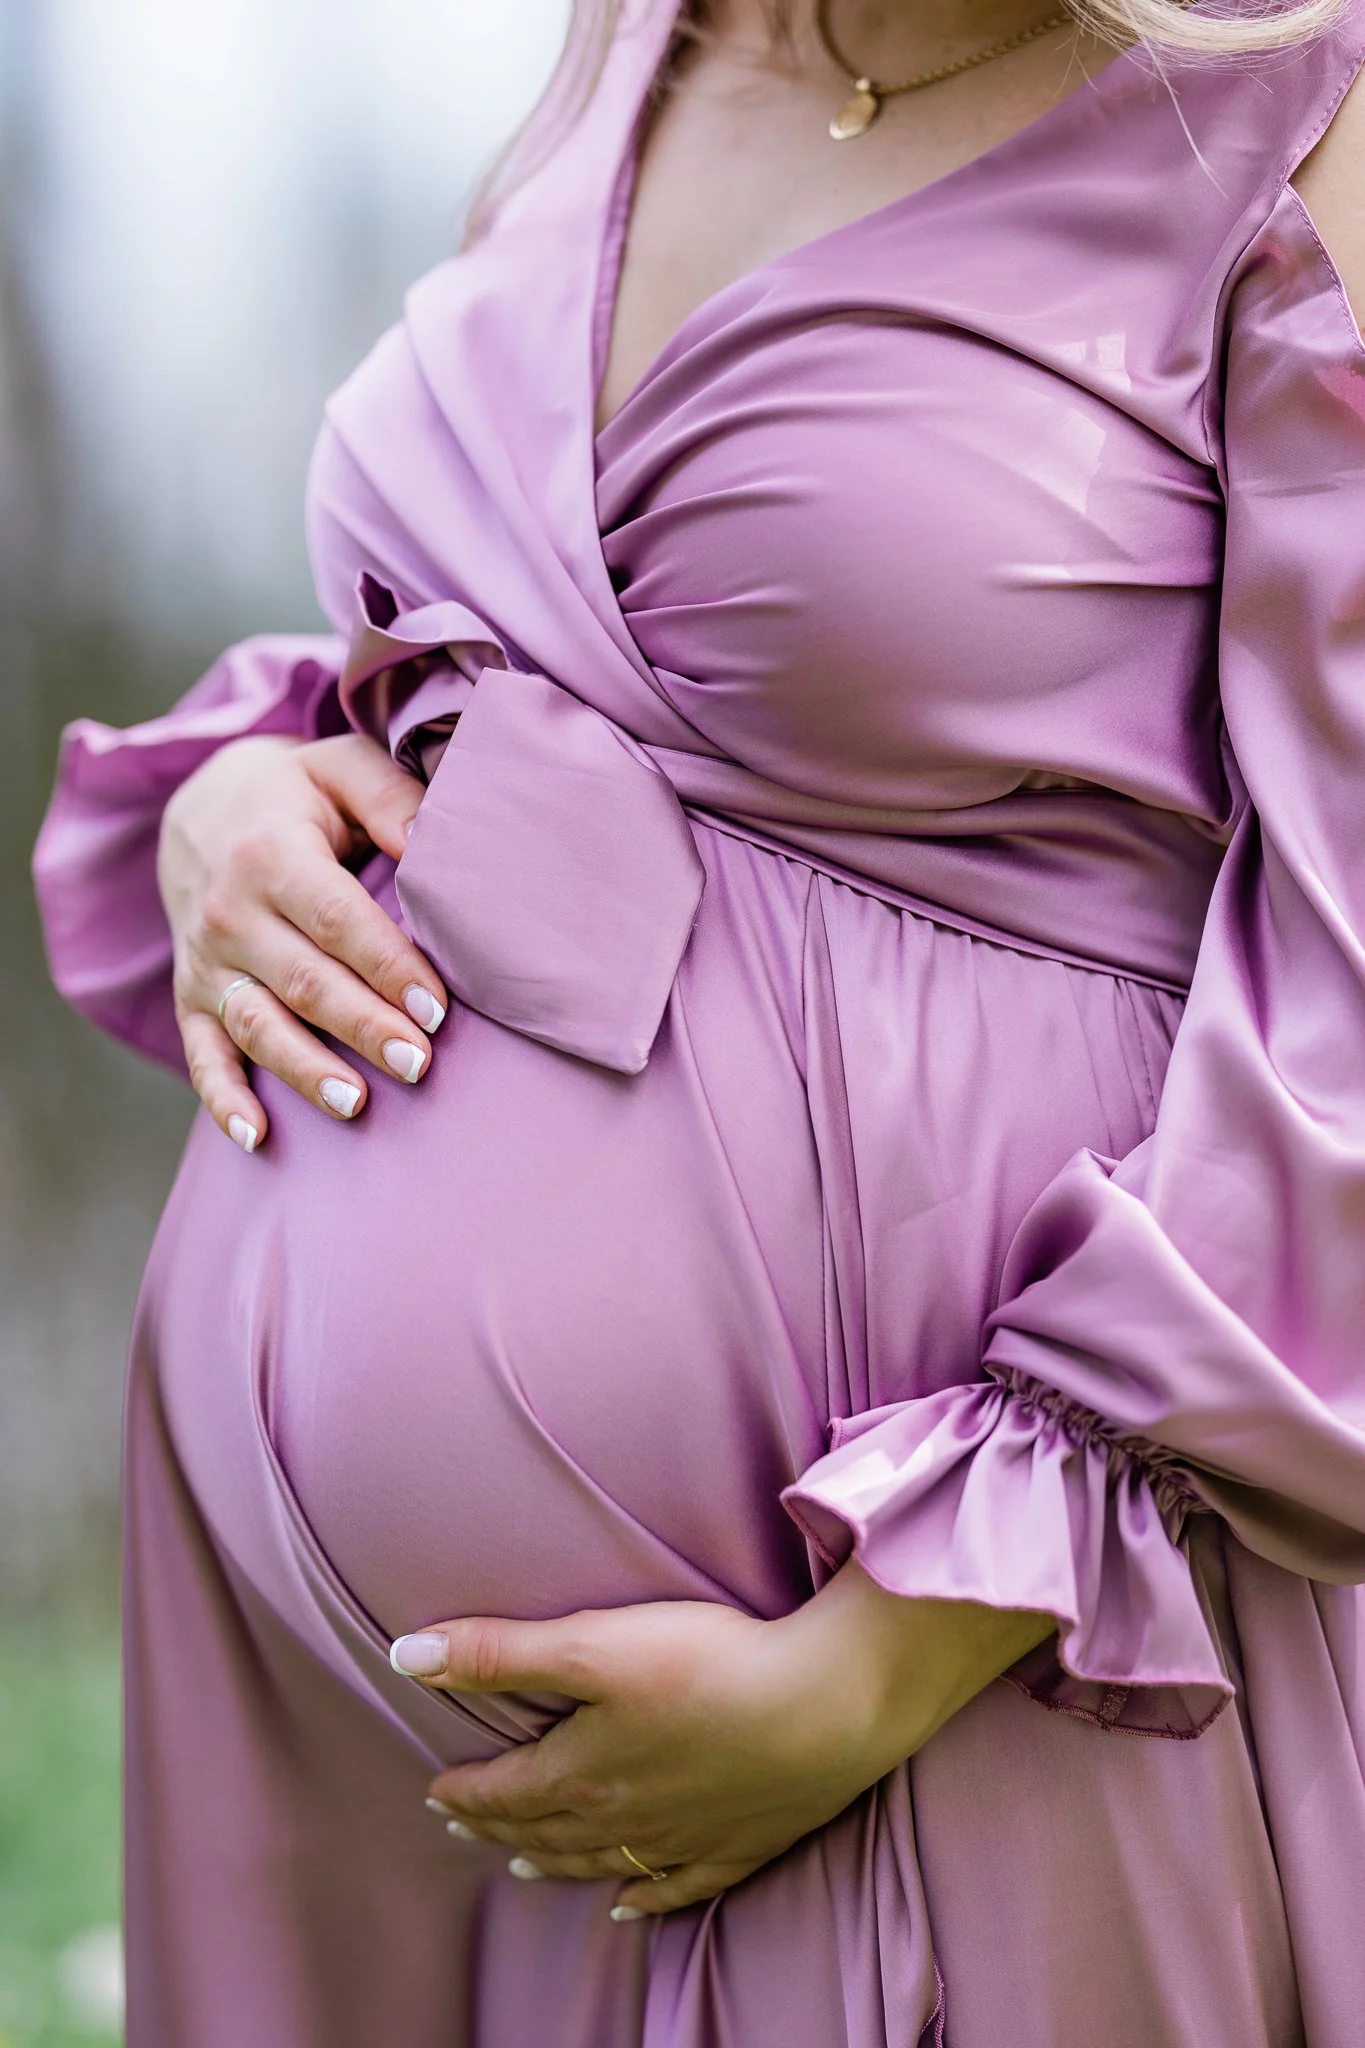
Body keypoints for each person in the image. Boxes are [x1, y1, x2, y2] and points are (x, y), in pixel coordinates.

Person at [33, 0, 1365, 2040]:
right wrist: (258, 782)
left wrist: (896, 1646)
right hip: (358, 1807)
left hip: (963, 1671)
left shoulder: (1310, 121)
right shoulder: (624, 53)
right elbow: (571, 650)